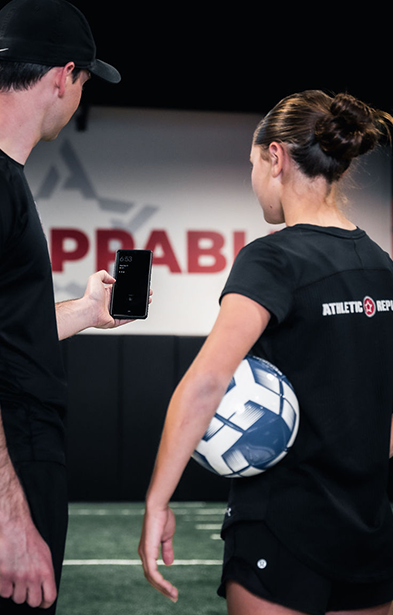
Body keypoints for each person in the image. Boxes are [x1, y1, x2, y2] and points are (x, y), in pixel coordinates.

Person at [138, 89, 393, 615]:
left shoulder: (271, 258)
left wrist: (156, 501)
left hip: (279, 528)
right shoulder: (378, 265)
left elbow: (207, 382)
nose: (253, 178)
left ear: (275, 157)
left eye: (252, 163)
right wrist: (376, 449)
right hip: (366, 534)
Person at [0, 0, 136, 612]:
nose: (80, 97)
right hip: (13, 467)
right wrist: (9, 515)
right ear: (64, 76)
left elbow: (9, 332)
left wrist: (85, 311)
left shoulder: (10, 180)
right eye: (84, 82)